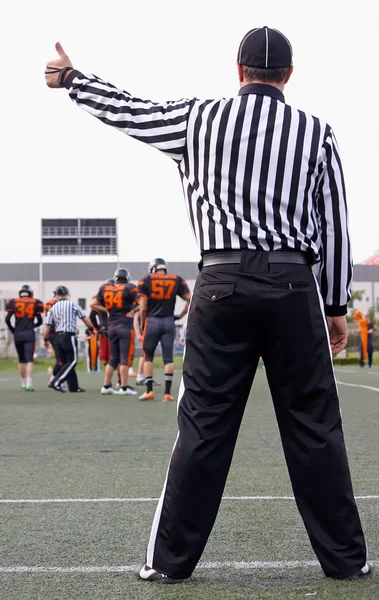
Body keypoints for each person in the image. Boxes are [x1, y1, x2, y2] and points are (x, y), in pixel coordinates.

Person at [45, 27, 370, 583]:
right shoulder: (317, 132)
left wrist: (75, 80)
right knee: (315, 425)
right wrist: (335, 303)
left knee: (204, 427)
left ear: (238, 70)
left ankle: (170, 564)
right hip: (293, 287)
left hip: (221, 284)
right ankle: (346, 560)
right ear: (288, 76)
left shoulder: (201, 118)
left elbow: (132, 112)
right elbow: (335, 223)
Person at [137, 258, 191, 402]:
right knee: (168, 358)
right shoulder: (176, 279)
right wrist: (180, 315)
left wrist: (143, 324)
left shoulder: (146, 279)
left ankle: (149, 391)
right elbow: (190, 299)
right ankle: (167, 393)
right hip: (168, 321)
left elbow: (142, 307)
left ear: (153, 269)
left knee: (148, 356)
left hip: (152, 321)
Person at [90, 268, 139, 395]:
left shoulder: (106, 288)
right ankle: (124, 387)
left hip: (111, 327)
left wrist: (107, 309)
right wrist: (133, 311)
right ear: (126, 278)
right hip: (124, 326)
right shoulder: (129, 288)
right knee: (124, 358)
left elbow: (93, 304)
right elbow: (143, 302)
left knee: (112, 358)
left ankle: (106, 386)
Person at [43, 286, 93, 392]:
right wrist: (91, 329)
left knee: (66, 361)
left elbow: (47, 326)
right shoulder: (72, 304)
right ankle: (56, 382)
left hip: (58, 337)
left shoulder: (53, 307)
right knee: (72, 361)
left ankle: (73, 387)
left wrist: (45, 339)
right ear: (66, 294)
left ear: (56, 295)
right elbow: (84, 318)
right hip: (68, 336)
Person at [5, 285, 44, 391]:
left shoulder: (13, 302)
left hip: (18, 334)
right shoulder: (36, 302)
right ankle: (29, 384)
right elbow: (40, 321)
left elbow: (7, 319)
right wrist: (33, 326)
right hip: (29, 334)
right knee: (29, 360)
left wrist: (13, 330)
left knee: (21, 360)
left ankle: (22, 383)